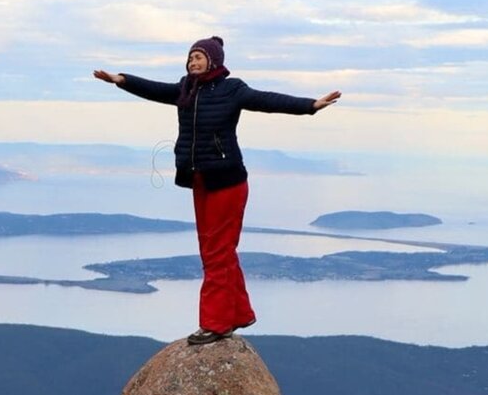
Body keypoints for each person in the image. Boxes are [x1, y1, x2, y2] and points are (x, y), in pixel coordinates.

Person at [94, 37, 340, 345]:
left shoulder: (231, 89)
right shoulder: (187, 89)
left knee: (216, 253)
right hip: (200, 181)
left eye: (198, 57)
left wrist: (310, 106)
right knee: (216, 250)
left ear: (213, 60)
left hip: (227, 182)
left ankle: (216, 323)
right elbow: (156, 90)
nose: (193, 63)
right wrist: (121, 80)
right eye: (190, 58)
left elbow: (266, 100)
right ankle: (239, 313)